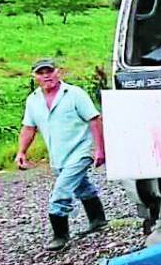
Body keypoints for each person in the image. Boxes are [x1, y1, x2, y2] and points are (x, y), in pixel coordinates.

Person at [15, 59, 107, 251]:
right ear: (35, 77)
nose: (46, 76)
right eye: (41, 73)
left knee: (61, 192)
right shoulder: (33, 100)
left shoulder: (74, 94)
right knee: (81, 187)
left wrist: (100, 149)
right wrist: (21, 152)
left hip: (82, 151)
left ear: (58, 72)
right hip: (58, 155)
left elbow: (94, 119)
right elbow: (28, 128)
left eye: (50, 71)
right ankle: (98, 220)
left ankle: (60, 236)